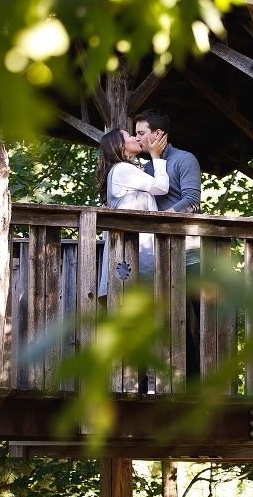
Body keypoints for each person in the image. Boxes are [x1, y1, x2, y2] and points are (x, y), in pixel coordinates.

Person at [134, 108, 203, 380]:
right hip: (156, 258)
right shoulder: (141, 168)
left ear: (157, 134)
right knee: (168, 321)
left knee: (202, 317)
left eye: (141, 133)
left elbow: (192, 200)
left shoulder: (184, 160)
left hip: (189, 253)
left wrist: (159, 221)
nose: (137, 139)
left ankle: (205, 385)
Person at [95, 128, 169, 299]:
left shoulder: (123, 170)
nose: (136, 138)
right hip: (130, 252)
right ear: (120, 145)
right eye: (130, 135)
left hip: (129, 251)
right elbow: (162, 187)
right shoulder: (122, 169)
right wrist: (156, 157)